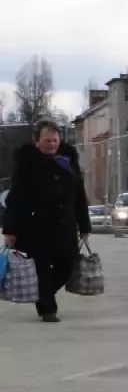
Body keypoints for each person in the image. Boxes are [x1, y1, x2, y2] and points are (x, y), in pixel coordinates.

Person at [2, 119, 91, 322]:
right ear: (37, 141)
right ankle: (48, 310)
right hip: (35, 226)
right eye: (47, 141)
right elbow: (15, 197)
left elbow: (79, 195)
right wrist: (10, 229)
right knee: (40, 269)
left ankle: (43, 295)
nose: (51, 145)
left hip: (65, 226)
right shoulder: (27, 163)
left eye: (54, 141)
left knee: (68, 266)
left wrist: (85, 225)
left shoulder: (68, 160)